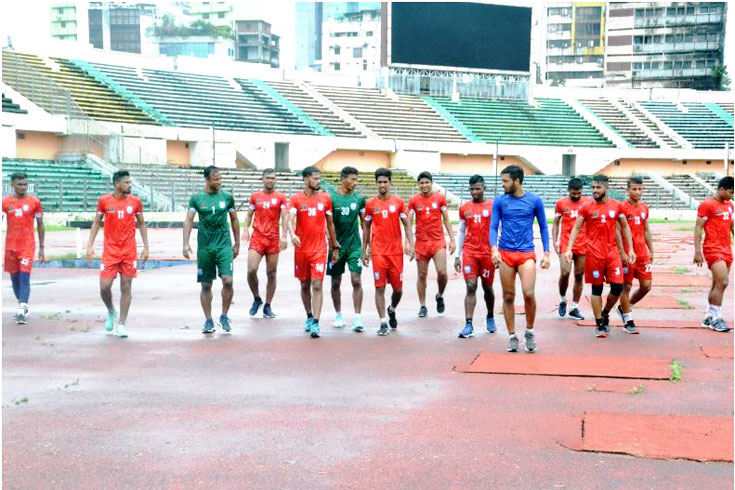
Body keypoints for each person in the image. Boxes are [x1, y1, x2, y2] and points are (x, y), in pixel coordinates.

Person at [565, 175, 635, 338]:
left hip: (612, 254)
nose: (595, 191)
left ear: (606, 188)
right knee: (597, 289)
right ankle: (599, 324)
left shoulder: (617, 206)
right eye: (593, 188)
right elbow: (576, 228)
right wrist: (569, 248)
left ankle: (605, 312)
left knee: (618, 287)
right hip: (594, 254)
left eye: (598, 188)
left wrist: (630, 249)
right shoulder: (587, 207)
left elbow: (625, 228)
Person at [489, 165, 550, 352]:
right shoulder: (500, 201)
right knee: (508, 296)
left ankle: (529, 331)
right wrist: (494, 249)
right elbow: (493, 227)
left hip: (526, 253)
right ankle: (512, 336)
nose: (503, 184)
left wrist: (546, 253)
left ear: (517, 181)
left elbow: (544, 227)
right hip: (505, 253)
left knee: (528, 293)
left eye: (506, 181)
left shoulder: (534, 200)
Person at [86, 170, 149, 338]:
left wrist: (146, 246)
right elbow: (96, 222)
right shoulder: (104, 201)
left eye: (130, 182)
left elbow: (141, 224)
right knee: (104, 287)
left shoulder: (135, 202)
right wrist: (90, 245)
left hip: (129, 251)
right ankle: (111, 311)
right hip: (110, 251)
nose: (130, 185)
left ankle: (121, 323)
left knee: (126, 286)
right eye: (127, 182)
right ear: (117, 184)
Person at [183, 166, 240, 334]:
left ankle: (224, 316)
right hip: (205, 247)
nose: (219, 182)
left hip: (223, 245)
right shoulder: (197, 198)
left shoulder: (227, 197)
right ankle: (208, 320)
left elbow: (235, 220)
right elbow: (188, 220)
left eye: (220, 179)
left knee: (228, 280)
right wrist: (185, 243)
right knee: (206, 284)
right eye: (216, 179)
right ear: (207, 180)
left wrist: (237, 243)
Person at [287, 166, 339, 338]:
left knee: (317, 284)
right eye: (316, 178)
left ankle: (316, 323)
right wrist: (292, 234)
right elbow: (290, 218)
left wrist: (334, 243)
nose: (319, 181)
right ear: (306, 179)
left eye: (319, 178)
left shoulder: (325, 199)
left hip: (319, 249)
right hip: (301, 249)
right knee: (304, 284)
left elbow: (330, 223)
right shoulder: (296, 198)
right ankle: (309, 315)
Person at [362, 168, 415, 336]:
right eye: (379, 182)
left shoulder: (398, 202)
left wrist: (410, 243)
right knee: (379, 287)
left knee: (398, 290)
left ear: (390, 183)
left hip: (396, 253)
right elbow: (366, 228)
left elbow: (406, 223)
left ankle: (392, 309)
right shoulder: (370, 203)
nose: (382, 185)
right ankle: (383, 322)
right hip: (378, 252)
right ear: (376, 183)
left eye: (385, 182)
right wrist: (365, 249)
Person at [242, 168, 288, 319]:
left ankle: (268, 306)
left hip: (273, 238)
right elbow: (249, 215)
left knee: (271, 273)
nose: (270, 180)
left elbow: (285, 217)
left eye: (273, 178)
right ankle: (257, 298)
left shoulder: (281, 197)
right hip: (257, 237)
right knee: (251, 270)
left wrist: (284, 236)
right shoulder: (255, 196)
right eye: (268, 178)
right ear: (262, 179)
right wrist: (245, 230)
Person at [409, 171, 456, 318]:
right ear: (419, 185)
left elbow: (446, 219)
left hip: (437, 241)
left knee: (442, 272)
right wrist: (409, 242)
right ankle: (423, 306)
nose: (424, 185)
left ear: (431, 182)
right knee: (421, 275)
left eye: (426, 182)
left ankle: (440, 295)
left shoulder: (440, 198)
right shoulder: (413, 200)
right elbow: (408, 222)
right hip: (421, 242)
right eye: (421, 183)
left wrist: (452, 239)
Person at [455, 175, 496, 338]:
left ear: (484, 187)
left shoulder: (493, 206)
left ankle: (490, 316)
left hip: (487, 253)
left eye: (477, 188)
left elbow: (499, 228)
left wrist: (496, 251)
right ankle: (468, 324)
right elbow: (461, 231)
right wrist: (457, 255)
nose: (474, 192)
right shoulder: (464, 208)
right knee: (471, 286)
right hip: (470, 252)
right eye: (471, 189)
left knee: (487, 287)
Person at [327, 166, 366, 332]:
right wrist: (333, 243)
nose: (355, 183)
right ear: (342, 179)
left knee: (356, 280)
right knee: (335, 282)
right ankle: (338, 314)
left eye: (357, 180)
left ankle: (357, 317)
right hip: (336, 247)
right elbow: (327, 225)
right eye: (352, 179)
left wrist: (366, 246)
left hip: (354, 246)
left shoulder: (360, 198)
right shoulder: (331, 198)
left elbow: (364, 224)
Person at [3, 172, 45, 324]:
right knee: (14, 278)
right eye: (19, 184)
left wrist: (41, 247)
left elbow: (40, 225)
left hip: (27, 245)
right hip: (10, 246)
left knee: (24, 277)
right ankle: (22, 304)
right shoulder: (5, 203)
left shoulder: (35, 202)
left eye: (25, 184)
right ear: (12, 185)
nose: (23, 187)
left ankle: (22, 308)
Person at [694, 176, 734, 332]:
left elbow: (731, 225)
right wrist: (697, 251)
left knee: (717, 284)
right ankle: (716, 317)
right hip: (712, 248)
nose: (733, 195)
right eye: (731, 192)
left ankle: (709, 317)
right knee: (723, 282)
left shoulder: (730, 205)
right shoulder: (707, 205)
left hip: (726, 248)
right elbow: (698, 228)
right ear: (722, 189)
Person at [617, 176, 654, 334]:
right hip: (627, 254)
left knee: (646, 286)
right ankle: (628, 318)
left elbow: (646, 229)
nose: (637, 192)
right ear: (628, 190)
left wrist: (651, 249)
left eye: (640, 189)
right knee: (626, 286)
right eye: (634, 189)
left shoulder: (644, 208)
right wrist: (622, 252)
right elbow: (617, 230)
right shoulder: (622, 208)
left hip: (642, 254)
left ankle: (625, 306)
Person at [552, 178, 589, 320]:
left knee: (579, 275)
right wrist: (555, 240)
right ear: (568, 190)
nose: (576, 196)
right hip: (566, 242)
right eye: (573, 193)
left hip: (583, 243)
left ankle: (574, 307)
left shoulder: (587, 203)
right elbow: (556, 223)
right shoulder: (561, 203)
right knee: (565, 272)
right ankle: (562, 299)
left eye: (578, 193)